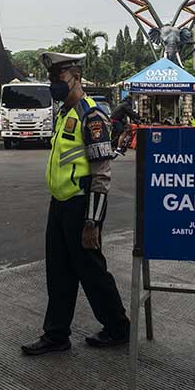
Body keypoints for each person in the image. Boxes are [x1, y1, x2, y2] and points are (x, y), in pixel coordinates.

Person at [21, 52, 130, 356]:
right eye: (52, 79)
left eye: (59, 78)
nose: (55, 84)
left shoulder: (90, 115)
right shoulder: (63, 113)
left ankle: (118, 328)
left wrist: (92, 222)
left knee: (91, 271)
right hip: (60, 203)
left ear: (76, 77)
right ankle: (56, 334)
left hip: (83, 205)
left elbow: (102, 173)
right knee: (58, 271)